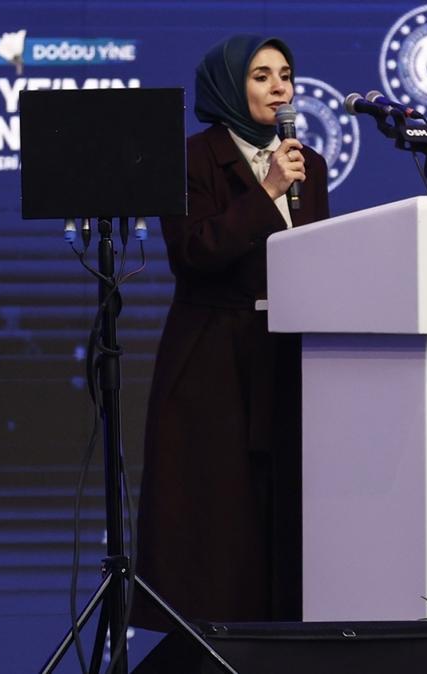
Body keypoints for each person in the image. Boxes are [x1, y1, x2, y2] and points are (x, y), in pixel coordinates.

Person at [132, 34, 329, 630]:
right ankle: (209, 648)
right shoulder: (191, 160)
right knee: (217, 521)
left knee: (283, 514)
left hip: (284, 357)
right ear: (228, 87)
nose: (280, 88)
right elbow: (193, 253)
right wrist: (267, 192)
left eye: (285, 75)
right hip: (211, 361)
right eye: (261, 76)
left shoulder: (309, 164)